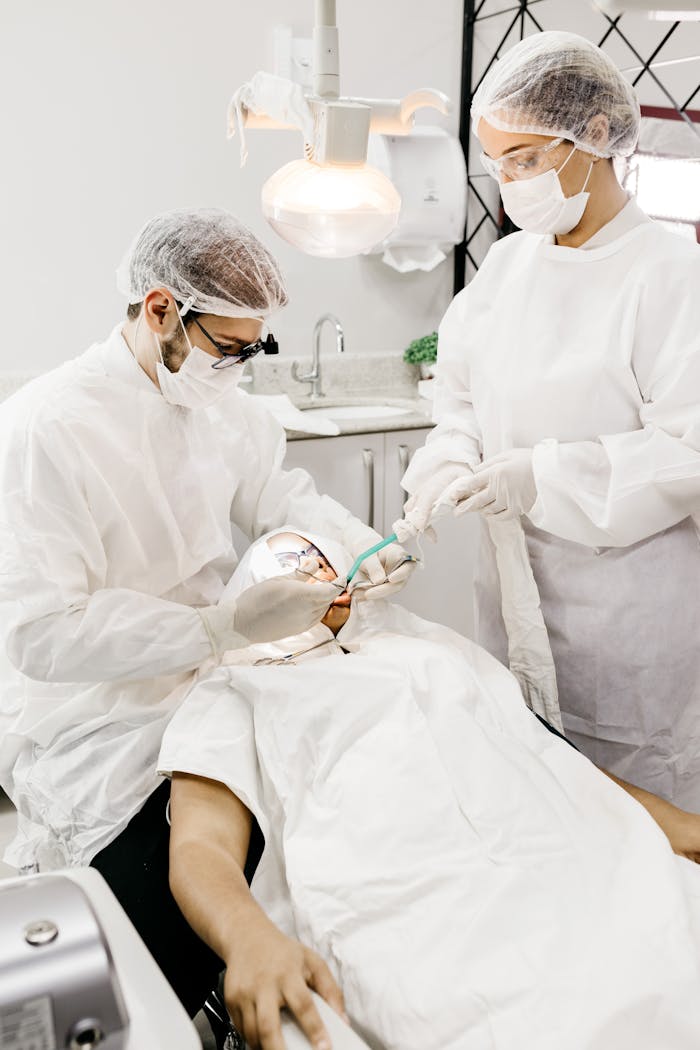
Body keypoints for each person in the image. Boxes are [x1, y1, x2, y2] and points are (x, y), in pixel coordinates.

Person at [0, 208, 415, 1020]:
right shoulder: (48, 427)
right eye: (229, 347)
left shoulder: (226, 406)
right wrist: (215, 628)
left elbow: (279, 497)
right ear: (160, 311)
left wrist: (368, 545)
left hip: (223, 675)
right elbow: (39, 634)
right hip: (99, 711)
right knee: (178, 896)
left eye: (255, 348)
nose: (241, 367)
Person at [160, 529, 700, 1050]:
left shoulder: (414, 646)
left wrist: (672, 821)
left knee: (664, 950)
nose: (319, 572)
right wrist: (246, 937)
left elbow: (541, 754)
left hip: (556, 855)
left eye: (322, 559)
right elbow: (199, 845)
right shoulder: (234, 688)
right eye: (293, 565)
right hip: (403, 892)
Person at [400, 31, 700, 809]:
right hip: (512, 599)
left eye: (526, 160)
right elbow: (460, 397)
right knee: (535, 799)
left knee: (641, 826)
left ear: (595, 136)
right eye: (497, 164)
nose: (508, 186)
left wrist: (542, 476)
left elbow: (689, 449)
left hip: (628, 623)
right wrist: (446, 462)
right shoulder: (508, 266)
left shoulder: (670, 278)